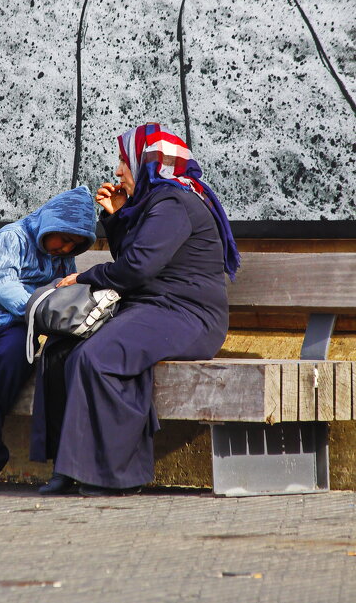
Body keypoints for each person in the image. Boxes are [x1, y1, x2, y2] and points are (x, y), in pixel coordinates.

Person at [33, 123, 240, 496]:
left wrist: (85, 278)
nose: (118, 171)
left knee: (98, 356)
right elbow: (135, 262)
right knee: (61, 351)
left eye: (124, 162)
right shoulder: (155, 202)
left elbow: (137, 268)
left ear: (146, 162)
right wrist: (115, 217)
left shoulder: (173, 202)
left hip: (187, 315)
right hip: (152, 309)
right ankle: (68, 464)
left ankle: (113, 474)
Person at [0, 186, 96, 492]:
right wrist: (42, 311)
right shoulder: (12, 237)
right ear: (51, 223)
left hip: (20, 324)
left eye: (75, 246)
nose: (66, 249)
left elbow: (63, 289)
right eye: (65, 239)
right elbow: (2, 286)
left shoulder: (61, 258)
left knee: (11, 362)